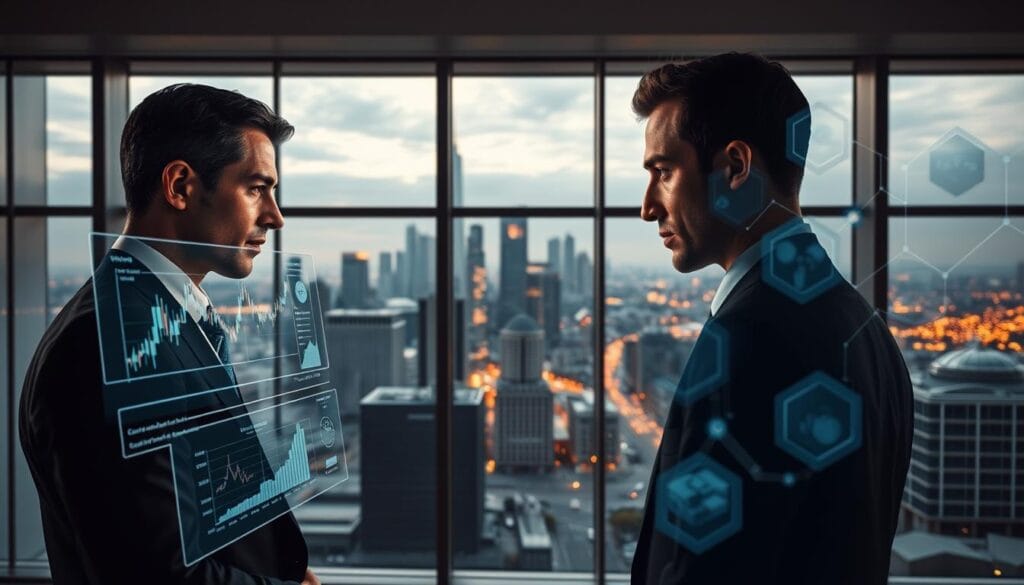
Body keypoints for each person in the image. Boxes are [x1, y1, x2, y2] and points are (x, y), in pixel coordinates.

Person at [629, 53, 913, 584]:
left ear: (735, 167)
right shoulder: (866, 329)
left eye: (663, 172)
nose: (648, 207)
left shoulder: (748, 343)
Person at [19, 84, 320, 585]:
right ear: (180, 186)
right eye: (256, 188)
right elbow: (156, 574)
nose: (275, 216)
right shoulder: (109, 344)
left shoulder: (154, 318)